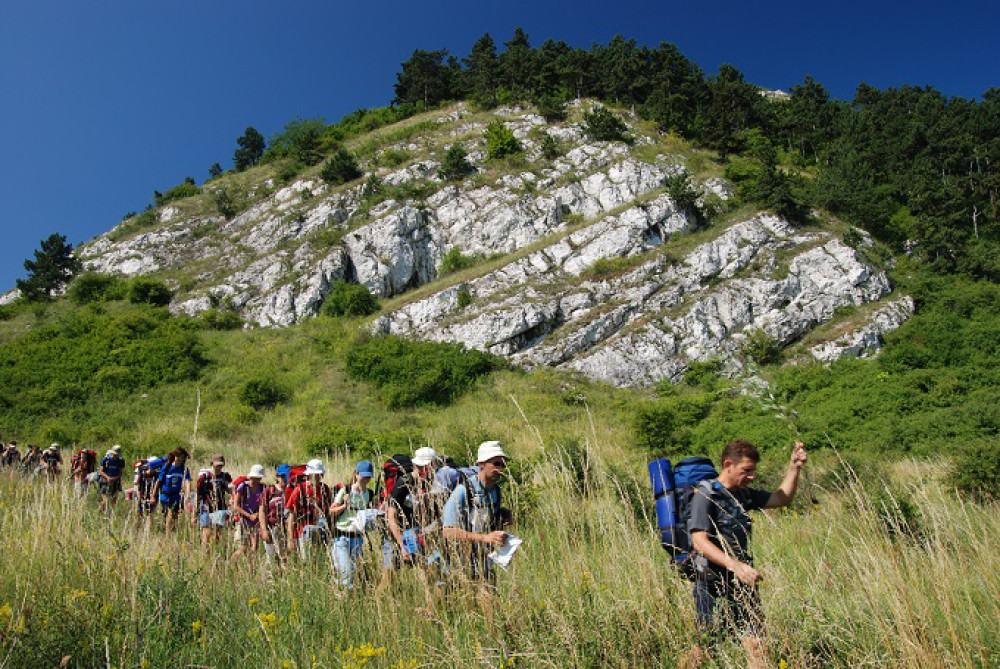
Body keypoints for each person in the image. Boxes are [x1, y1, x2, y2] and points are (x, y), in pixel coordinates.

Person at [682, 439, 808, 669]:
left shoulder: (744, 494)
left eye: (753, 471)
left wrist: (794, 468)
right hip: (710, 581)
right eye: (746, 471)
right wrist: (735, 566)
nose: (752, 477)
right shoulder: (705, 494)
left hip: (743, 580)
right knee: (705, 646)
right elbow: (699, 541)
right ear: (728, 464)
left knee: (757, 640)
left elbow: (782, 498)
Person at [441, 441, 511, 581]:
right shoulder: (463, 490)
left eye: (503, 464)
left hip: (482, 556)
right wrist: (485, 538)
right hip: (457, 560)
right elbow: (448, 531)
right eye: (496, 464)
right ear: (481, 464)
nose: (501, 469)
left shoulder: (496, 491)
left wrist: (503, 517)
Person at [382, 447, 439, 574]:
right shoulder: (403, 483)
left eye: (427, 466)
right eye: (421, 466)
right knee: (389, 576)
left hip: (417, 534)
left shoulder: (431, 483)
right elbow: (391, 517)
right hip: (395, 535)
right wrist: (402, 544)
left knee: (427, 574)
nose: (424, 470)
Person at [329, 460, 376, 589]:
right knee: (346, 572)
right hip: (341, 537)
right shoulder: (346, 490)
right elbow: (331, 511)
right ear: (356, 474)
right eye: (363, 475)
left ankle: (344, 597)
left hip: (357, 538)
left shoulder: (370, 494)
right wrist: (345, 505)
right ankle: (345, 598)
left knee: (352, 572)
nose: (366, 479)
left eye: (368, 476)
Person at [285, 459, 335, 558]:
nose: (316, 477)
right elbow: (291, 516)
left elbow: (330, 511)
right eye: (313, 475)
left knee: (321, 559)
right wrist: (290, 540)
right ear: (308, 475)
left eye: (318, 475)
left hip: (321, 532)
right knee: (306, 561)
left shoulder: (325, 489)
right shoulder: (300, 490)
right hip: (302, 532)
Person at [151, 448, 192, 533]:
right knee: (169, 514)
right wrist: (153, 495)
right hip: (165, 495)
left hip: (176, 496)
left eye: (182, 457)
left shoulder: (184, 469)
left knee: (175, 516)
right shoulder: (167, 467)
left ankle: (172, 533)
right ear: (174, 456)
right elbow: (158, 481)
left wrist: (188, 496)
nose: (180, 459)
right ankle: (167, 535)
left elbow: (187, 482)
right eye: (178, 456)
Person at [196, 454, 233, 545]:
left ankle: (213, 553)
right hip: (206, 507)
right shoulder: (205, 477)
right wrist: (195, 510)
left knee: (217, 535)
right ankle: (205, 555)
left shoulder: (225, 476)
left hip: (220, 507)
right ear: (212, 463)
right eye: (217, 465)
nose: (219, 467)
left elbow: (230, 491)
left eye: (221, 465)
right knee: (206, 533)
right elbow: (198, 493)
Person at [232, 464, 266, 560]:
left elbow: (263, 504)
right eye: (256, 478)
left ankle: (251, 570)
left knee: (254, 548)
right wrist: (249, 515)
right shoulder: (243, 487)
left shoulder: (262, 488)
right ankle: (231, 564)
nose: (257, 480)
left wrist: (258, 515)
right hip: (244, 521)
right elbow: (236, 506)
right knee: (242, 548)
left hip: (256, 521)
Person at [259, 465, 290, 563]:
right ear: (277, 477)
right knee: (271, 558)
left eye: (287, 477)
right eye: (282, 477)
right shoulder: (269, 491)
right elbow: (262, 510)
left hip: (286, 528)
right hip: (271, 527)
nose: (285, 480)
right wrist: (264, 529)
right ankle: (269, 577)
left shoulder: (291, 492)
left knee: (284, 557)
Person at [98, 445, 126, 511]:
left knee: (114, 500)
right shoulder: (106, 459)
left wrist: (114, 478)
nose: (115, 456)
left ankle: (111, 515)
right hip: (105, 482)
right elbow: (101, 471)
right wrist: (108, 478)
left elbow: (120, 473)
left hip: (115, 482)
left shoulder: (121, 461)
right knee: (105, 501)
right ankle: (100, 513)